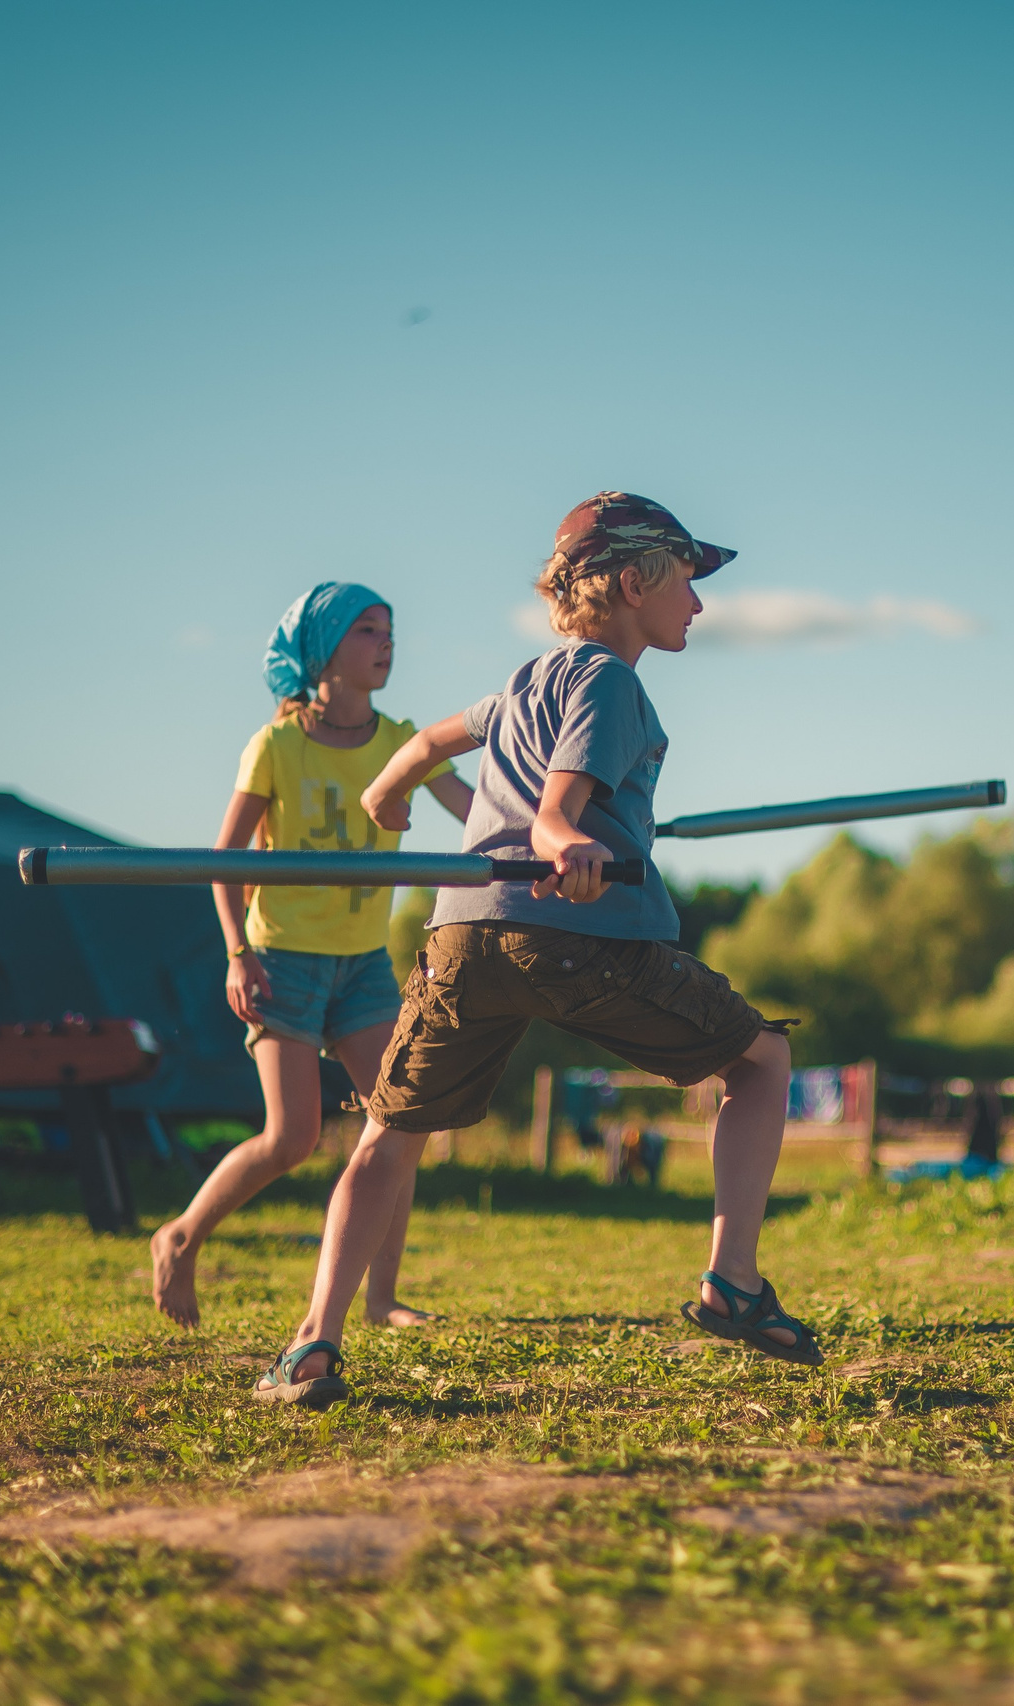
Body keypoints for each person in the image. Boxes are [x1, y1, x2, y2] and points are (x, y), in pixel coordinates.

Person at [252, 492, 812, 1407]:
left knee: (387, 1138)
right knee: (762, 1060)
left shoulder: (522, 682)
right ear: (634, 582)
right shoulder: (611, 682)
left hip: (464, 936)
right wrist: (566, 843)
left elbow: (435, 739)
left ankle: (311, 1346)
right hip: (581, 937)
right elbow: (558, 810)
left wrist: (386, 795)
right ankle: (733, 1282)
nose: (700, 606)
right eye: (687, 583)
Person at [149, 584, 473, 1329]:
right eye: (367, 631)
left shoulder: (402, 740)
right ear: (321, 651)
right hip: (281, 959)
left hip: (361, 964)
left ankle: (382, 1299)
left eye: (390, 631)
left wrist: (540, 830)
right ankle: (180, 1236)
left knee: (402, 1123)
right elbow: (224, 860)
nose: (386, 644)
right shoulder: (277, 746)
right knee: (291, 1137)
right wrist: (237, 954)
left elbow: (472, 812)